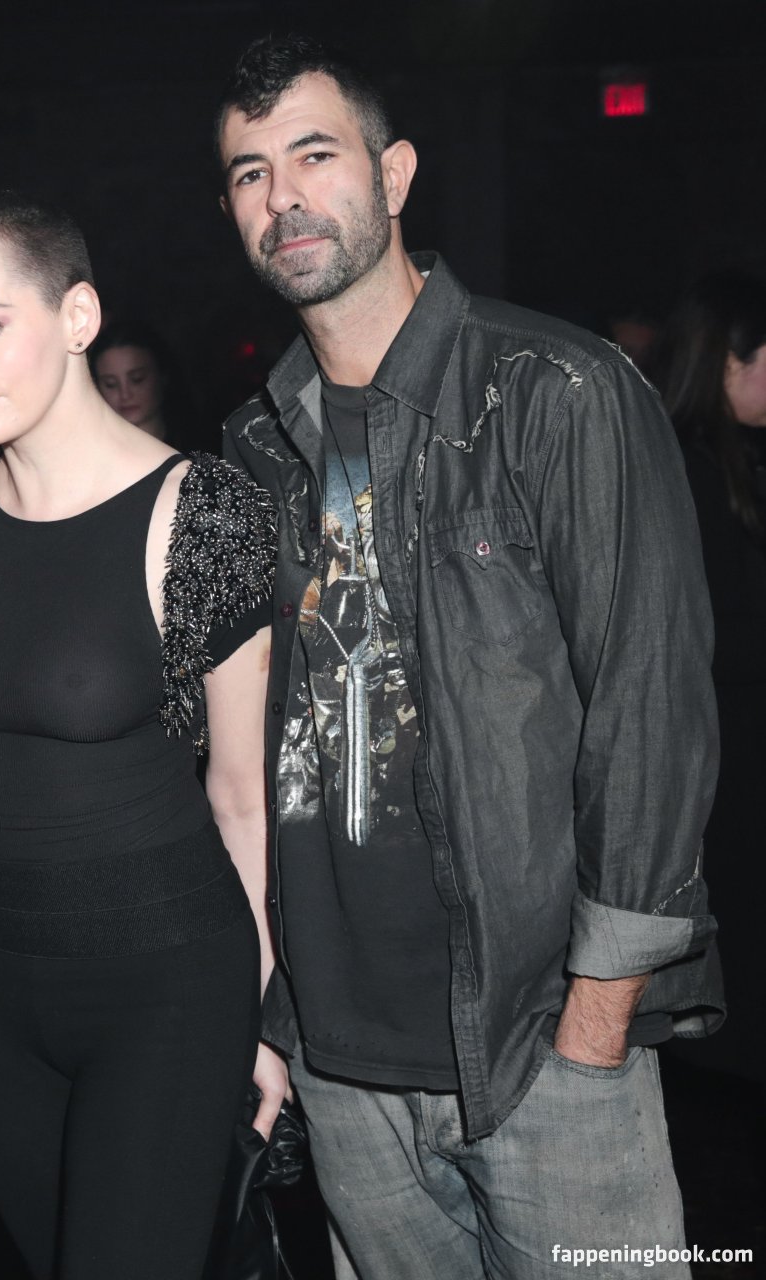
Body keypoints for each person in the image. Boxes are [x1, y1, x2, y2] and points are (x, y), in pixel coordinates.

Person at [214, 34, 721, 1279]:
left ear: (393, 173)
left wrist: (594, 1021)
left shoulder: (556, 390)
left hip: (539, 1045)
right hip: (340, 1066)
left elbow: (648, 713)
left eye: (313, 155)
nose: (282, 196)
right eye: (247, 172)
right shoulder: (252, 449)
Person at [0, 192, 283, 1280]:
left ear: (77, 316)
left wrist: (262, 1018)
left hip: (164, 986)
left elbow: (241, 792)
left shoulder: (204, 511)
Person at [655, 272, 765, 1083]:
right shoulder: (679, 469)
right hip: (719, 762)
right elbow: (689, 639)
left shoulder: (741, 457)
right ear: (730, 357)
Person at [87, 319, 198, 447]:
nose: (125, 395)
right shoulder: (90, 450)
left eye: (137, 379)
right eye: (110, 384)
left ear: (162, 375)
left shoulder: (200, 447)